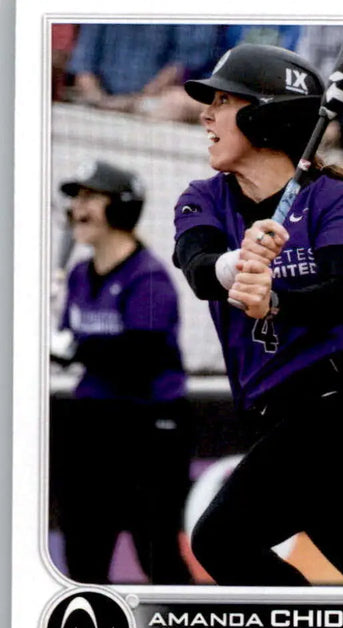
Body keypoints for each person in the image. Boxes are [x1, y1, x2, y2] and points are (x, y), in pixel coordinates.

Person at [173, 43, 343, 588]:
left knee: (221, 539)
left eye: (225, 101)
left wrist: (274, 298)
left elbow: (340, 293)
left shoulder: (334, 198)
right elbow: (200, 267)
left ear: (265, 116)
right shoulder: (202, 198)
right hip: (280, 423)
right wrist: (241, 264)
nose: (206, 114)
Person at [51, 160, 193, 584]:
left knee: (157, 553)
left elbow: (140, 356)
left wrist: (75, 347)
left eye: (91, 198)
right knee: (83, 555)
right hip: (92, 423)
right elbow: (71, 344)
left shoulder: (149, 279)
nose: (78, 209)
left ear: (121, 208)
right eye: (77, 198)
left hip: (148, 429)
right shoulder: (79, 274)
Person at [67, 23, 218, 120]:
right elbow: (83, 67)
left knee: (171, 107)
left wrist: (133, 101)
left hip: (154, 102)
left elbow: (182, 64)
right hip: (100, 102)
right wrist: (99, 100)